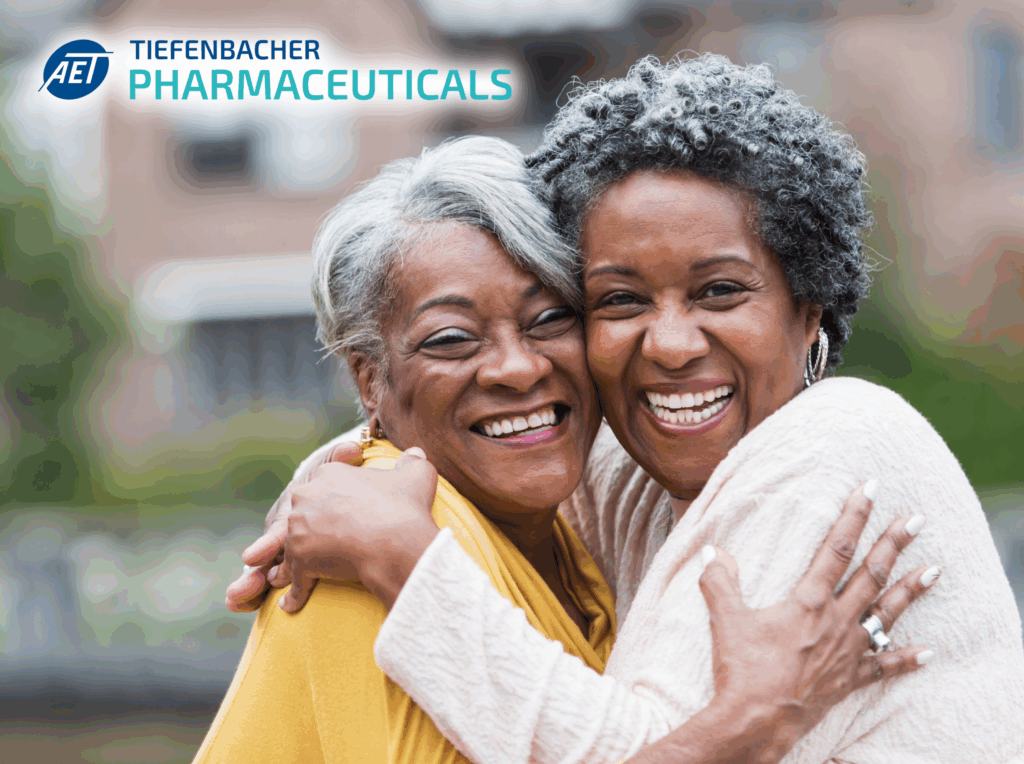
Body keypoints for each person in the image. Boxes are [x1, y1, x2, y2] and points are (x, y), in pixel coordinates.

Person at [230, 56, 1024, 763]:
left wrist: (402, 554)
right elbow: (488, 431)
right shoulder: (640, 477)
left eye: (719, 290)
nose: (671, 344)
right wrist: (333, 486)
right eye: (620, 299)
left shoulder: (840, 446)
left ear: (809, 312)